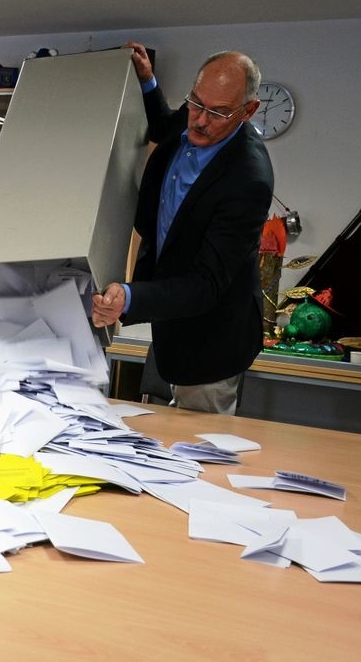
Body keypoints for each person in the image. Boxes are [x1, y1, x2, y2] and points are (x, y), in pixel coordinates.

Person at [91, 43, 274, 415]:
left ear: (248, 110)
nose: (200, 121)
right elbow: (163, 124)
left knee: (197, 445)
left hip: (214, 337)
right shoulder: (195, 117)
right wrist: (147, 80)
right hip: (172, 319)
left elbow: (207, 284)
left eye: (219, 112)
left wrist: (130, 296)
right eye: (196, 103)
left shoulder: (248, 180)